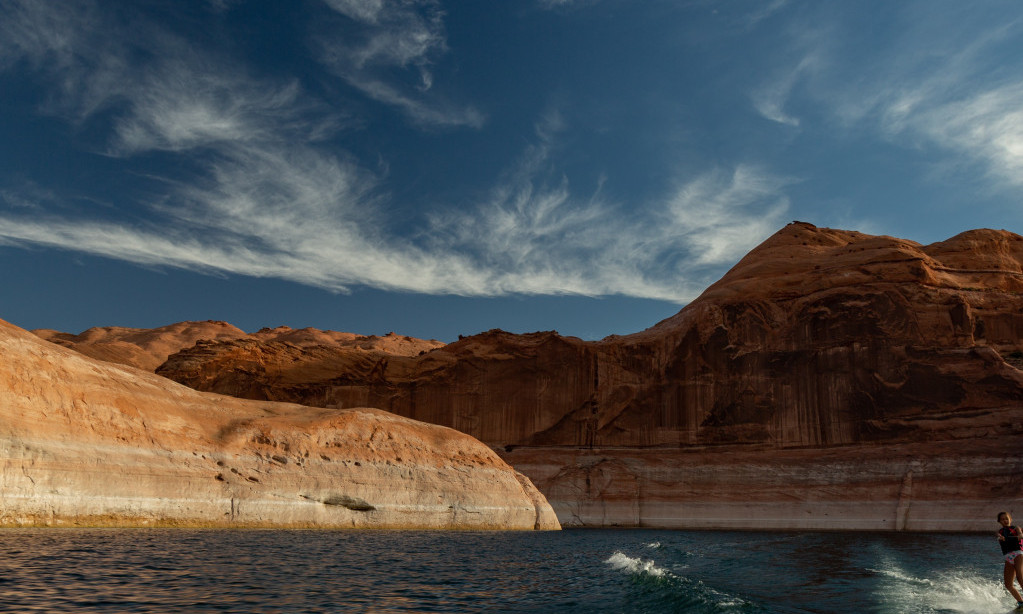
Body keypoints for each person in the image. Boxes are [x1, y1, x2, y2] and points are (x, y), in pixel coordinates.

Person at [998, 511, 1023, 609]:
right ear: (999, 521)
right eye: (1002, 519)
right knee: (1008, 584)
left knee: (1020, 578)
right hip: (1008, 557)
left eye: (1006, 518)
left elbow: (1020, 535)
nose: (1005, 520)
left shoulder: (1016, 528)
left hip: (1018, 554)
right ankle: (1021, 602)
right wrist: (1001, 538)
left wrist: (1020, 535)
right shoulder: (1000, 532)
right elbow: (999, 537)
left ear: (1010, 519)